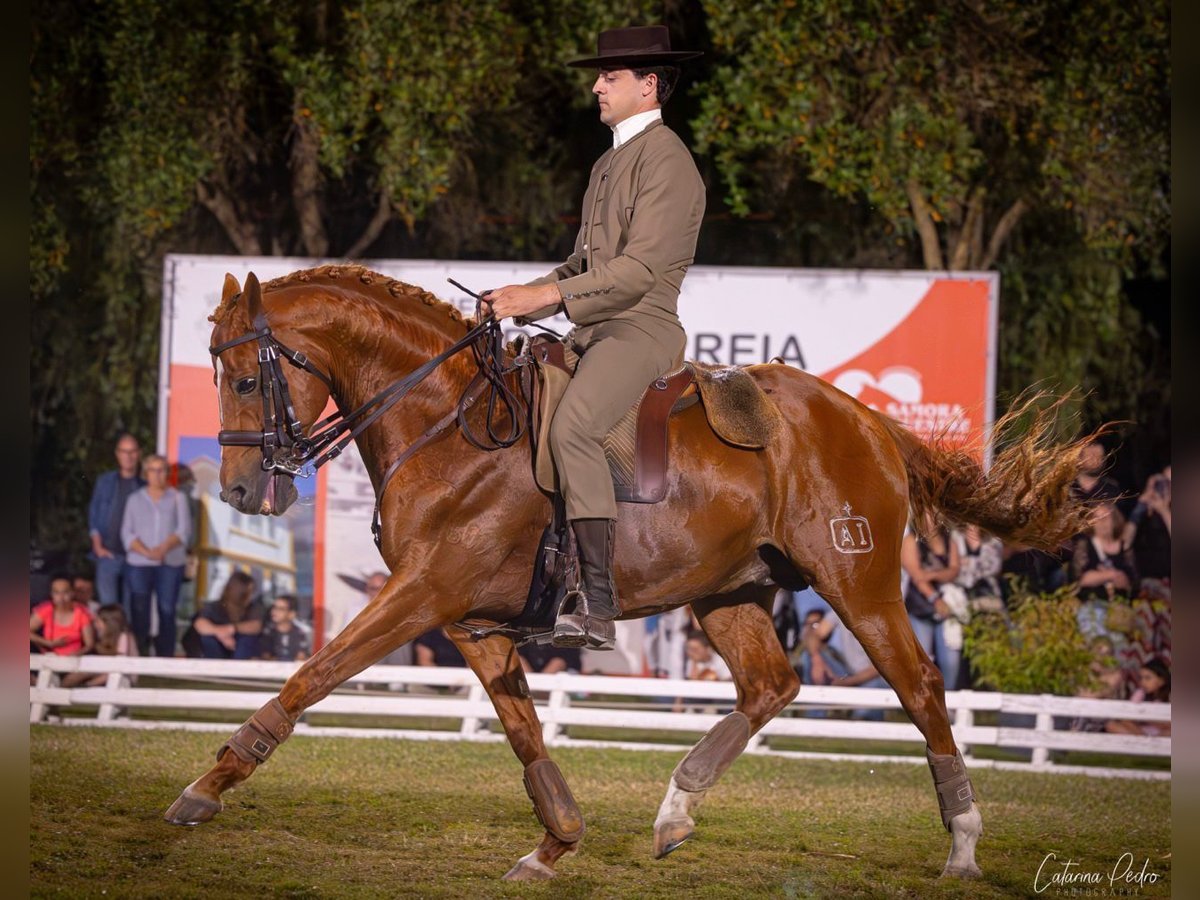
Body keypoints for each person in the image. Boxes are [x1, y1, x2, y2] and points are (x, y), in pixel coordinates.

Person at [481, 25, 706, 651]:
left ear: (649, 85)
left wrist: (547, 298)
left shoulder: (668, 161)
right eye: (599, 76)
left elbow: (637, 273)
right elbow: (582, 268)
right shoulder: (608, 162)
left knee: (574, 427)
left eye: (610, 77)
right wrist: (519, 298)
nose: (596, 86)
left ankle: (598, 603)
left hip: (641, 328)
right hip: (593, 329)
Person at [121, 453, 191, 657]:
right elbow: (126, 533)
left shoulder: (179, 498)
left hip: (169, 562)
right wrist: (147, 552)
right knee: (139, 610)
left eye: (162, 470)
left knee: (167, 610)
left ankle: (164, 658)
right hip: (139, 563)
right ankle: (139, 655)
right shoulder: (134, 499)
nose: (157, 474)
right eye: (153, 470)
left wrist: (162, 549)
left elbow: (184, 531)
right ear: (146, 473)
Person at [901, 514, 965, 691]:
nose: (933, 519)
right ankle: (924, 702)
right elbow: (916, 577)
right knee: (923, 659)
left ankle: (948, 701)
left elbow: (954, 570)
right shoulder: (910, 541)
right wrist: (935, 598)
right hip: (920, 607)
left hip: (946, 605)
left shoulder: (949, 539)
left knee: (950, 659)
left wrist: (932, 575)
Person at [86, 433, 145, 610]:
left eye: (132, 451)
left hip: (134, 559)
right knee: (108, 612)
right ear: (117, 454)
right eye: (124, 451)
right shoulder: (105, 482)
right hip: (107, 555)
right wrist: (98, 547)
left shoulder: (144, 487)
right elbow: (94, 515)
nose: (128, 456)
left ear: (139, 454)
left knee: (130, 611)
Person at [801, 608, 889, 721]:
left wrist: (846, 682)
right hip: (847, 672)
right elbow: (814, 635)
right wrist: (816, 659)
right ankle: (815, 718)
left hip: (875, 678)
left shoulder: (885, 616)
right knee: (808, 656)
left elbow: (882, 667)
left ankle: (861, 719)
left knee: (864, 718)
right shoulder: (843, 608)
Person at [1070, 499, 1137, 641]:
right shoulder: (1085, 546)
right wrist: (1111, 574)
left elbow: (1134, 582)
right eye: (1097, 518)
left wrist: (1123, 581)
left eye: (1105, 517)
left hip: (1119, 611)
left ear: (1114, 520)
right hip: (1093, 606)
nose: (1102, 522)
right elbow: (1079, 579)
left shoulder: (1124, 548)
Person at [62, 604, 139, 688]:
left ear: (109, 623)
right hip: (107, 673)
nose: (96, 625)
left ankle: (61, 689)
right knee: (79, 673)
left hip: (122, 677)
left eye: (98, 621)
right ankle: (60, 689)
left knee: (83, 672)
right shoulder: (104, 637)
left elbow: (118, 667)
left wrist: (90, 684)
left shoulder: (124, 637)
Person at [193, 571, 265, 659]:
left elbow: (256, 626)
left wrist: (233, 628)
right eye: (247, 593)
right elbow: (200, 624)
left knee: (247, 640)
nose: (250, 596)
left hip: (240, 649)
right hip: (219, 648)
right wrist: (219, 633)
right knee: (208, 639)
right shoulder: (215, 606)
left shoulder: (253, 607)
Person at [30, 576, 95, 658]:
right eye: (56, 593)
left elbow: (89, 644)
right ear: (51, 594)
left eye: (65, 592)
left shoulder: (81, 612)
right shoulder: (46, 609)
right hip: (49, 660)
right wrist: (48, 643)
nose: (61, 597)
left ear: (72, 593)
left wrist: (77, 654)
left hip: (74, 661)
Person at [1105, 658, 1170, 736]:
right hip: (1140, 731)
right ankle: (1145, 741)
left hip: (1161, 733)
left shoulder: (1169, 696)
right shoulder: (1141, 693)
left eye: (1147, 678)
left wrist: (1147, 717)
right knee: (1111, 725)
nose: (1143, 682)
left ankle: (1146, 743)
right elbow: (1129, 714)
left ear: (1161, 681)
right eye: (1141, 678)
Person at [258, 594, 310, 662]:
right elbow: (266, 657)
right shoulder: (268, 632)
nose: (274, 611)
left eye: (281, 609)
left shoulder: (299, 633)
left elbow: (301, 657)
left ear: (292, 614)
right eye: (274, 607)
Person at [1071, 439, 1121, 504]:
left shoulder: (1111, 488)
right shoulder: (1067, 488)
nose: (1096, 461)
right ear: (1079, 459)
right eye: (1091, 457)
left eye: (1100, 457)